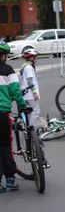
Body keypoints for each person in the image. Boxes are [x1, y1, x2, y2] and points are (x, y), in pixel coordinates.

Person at [0, 41, 28, 192]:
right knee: (5, 145)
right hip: (3, 113)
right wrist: (23, 105)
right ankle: (10, 179)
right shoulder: (8, 70)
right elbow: (16, 91)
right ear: (4, 56)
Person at [19, 48, 41, 126]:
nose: (37, 59)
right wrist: (34, 93)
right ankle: (32, 130)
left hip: (26, 94)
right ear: (32, 58)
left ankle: (29, 130)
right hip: (30, 94)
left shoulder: (25, 66)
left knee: (29, 113)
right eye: (36, 57)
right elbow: (30, 81)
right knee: (36, 112)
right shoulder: (29, 68)